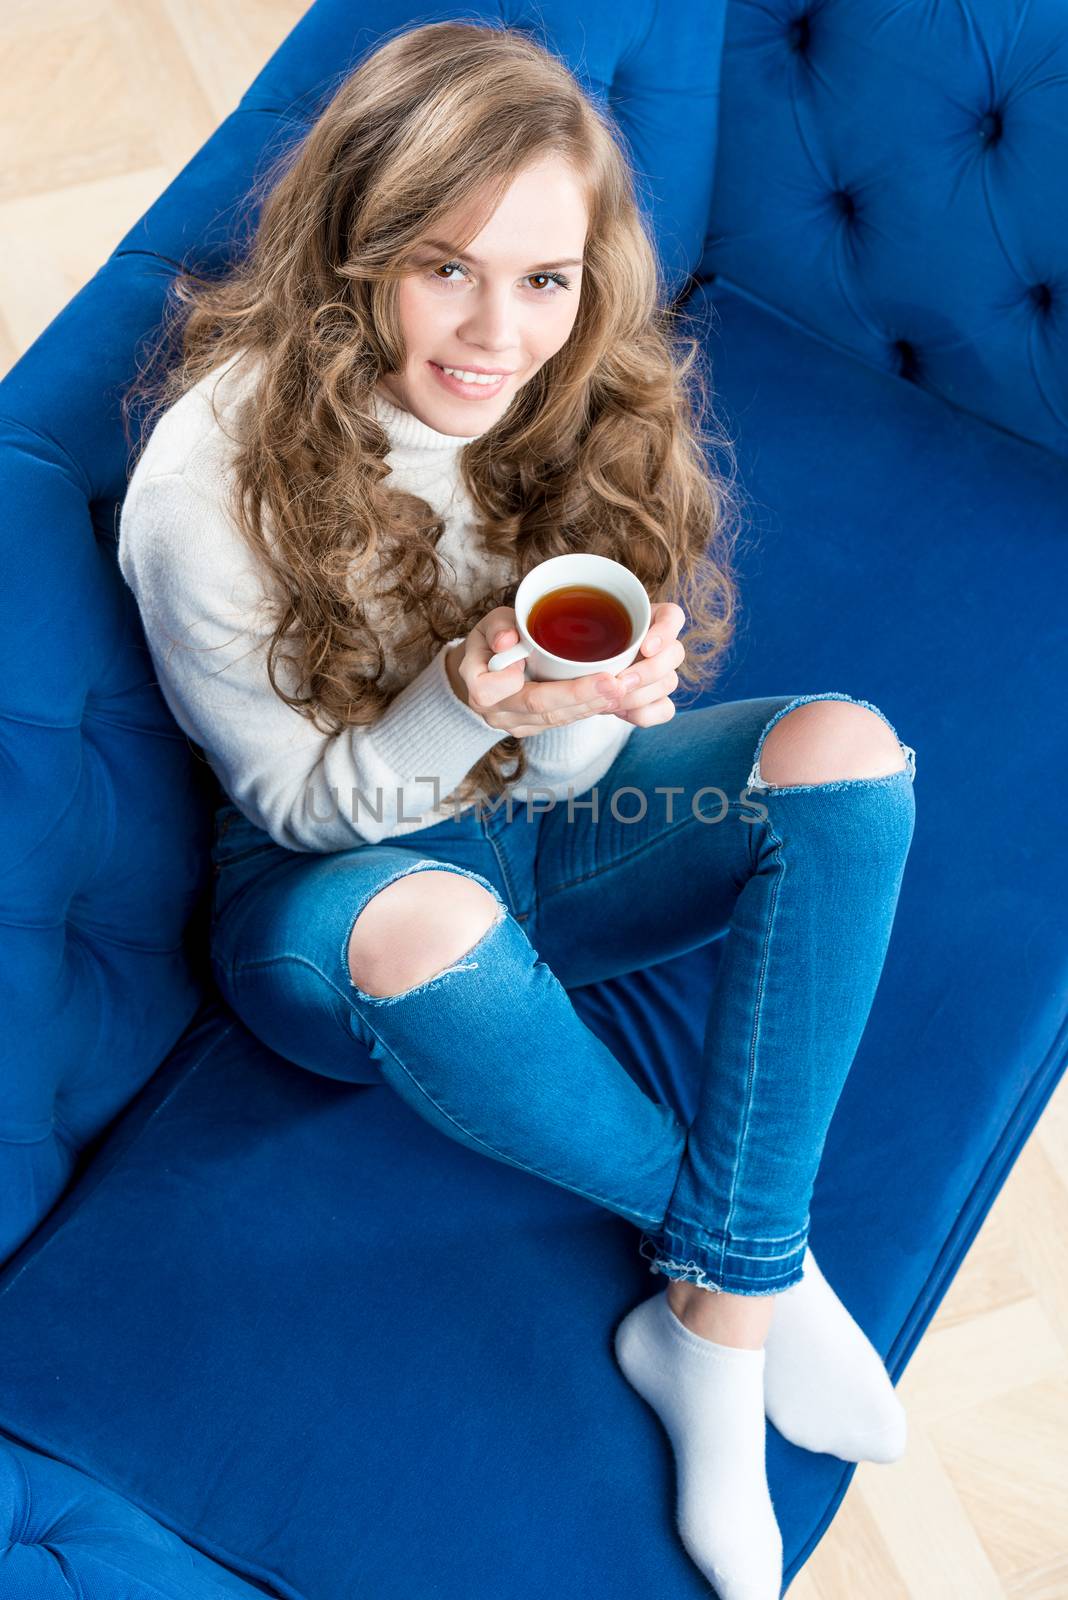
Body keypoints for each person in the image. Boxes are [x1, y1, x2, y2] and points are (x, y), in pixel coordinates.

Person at [119, 20, 917, 1598]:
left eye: (544, 279)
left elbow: (584, 782)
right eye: (446, 268)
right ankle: (752, 1267)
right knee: (440, 922)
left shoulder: (567, 395)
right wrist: (468, 705)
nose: (497, 332)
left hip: (538, 823)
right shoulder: (206, 478)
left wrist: (582, 716)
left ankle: (707, 1323)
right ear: (360, 249)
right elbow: (303, 802)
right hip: (330, 896)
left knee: (849, 756)